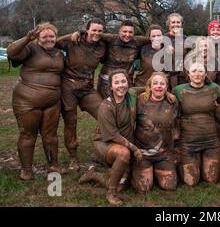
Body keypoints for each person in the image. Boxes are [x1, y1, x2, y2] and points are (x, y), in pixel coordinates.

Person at [7, 23, 66, 179]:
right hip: (27, 101)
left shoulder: (59, 53)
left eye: (51, 36)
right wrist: (27, 38)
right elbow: (11, 52)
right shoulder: (30, 49)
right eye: (44, 36)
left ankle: (53, 165)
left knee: (51, 135)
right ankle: (26, 169)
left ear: (56, 37)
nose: (48, 39)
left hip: (52, 102)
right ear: (37, 38)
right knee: (28, 134)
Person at [79, 70, 143, 206]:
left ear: (128, 83)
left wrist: (166, 93)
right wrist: (134, 148)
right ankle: (111, 193)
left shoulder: (131, 94)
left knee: (122, 184)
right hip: (106, 143)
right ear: (111, 86)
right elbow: (113, 136)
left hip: (125, 143)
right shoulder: (106, 106)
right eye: (117, 82)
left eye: (123, 81)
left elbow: (151, 87)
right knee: (123, 153)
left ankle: (94, 174)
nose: (121, 85)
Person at [56, 18, 106, 171]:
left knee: (106, 114)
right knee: (71, 121)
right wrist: (71, 34)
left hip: (87, 88)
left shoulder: (102, 47)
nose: (96, 33)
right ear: (87, 29)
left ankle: (103, 151)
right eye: (94, 30)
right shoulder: (74, 40)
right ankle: (73, 157)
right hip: (68, 87)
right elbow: (54, 42)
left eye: (100, 30)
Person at [172, 62, 220, 186]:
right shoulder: (179, 90)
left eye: (201, 71)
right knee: (191, 182)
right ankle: (180, 161)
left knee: (211, 180)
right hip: (189, 142)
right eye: (194, 71)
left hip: (210, 140)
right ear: (188, 74)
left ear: (205, 74)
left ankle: (204, 160)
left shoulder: (214, 88)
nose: (197, 74)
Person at [131, 72, 180, 192]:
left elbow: (178, 124)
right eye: (155, 83)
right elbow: (130, 90)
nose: (159, 86)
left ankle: (160, 168)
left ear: (167, 86)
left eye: (162, 84)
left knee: (170, 186)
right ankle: (131, 170)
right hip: (143, 153)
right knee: (144, 188)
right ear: (149, 86)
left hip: (163, 154)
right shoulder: (141, 100)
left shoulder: (172, 101)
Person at [96, 20, 150, 98]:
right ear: (119, 31)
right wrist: (79, 33)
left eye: (130, 32)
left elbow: (155, 38)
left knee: (126, 107)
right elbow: (94, 34)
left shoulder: (138, 41)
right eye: (124, 31)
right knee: (108, 105)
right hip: (107, 80)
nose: (127, 34)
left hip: (127, 80)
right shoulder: (112, 38)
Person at [164, 12, 188, 89]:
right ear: (169, 24)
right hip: (166, 76)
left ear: (181, 24)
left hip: (182, 77)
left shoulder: (186, 39)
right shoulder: (163, 38)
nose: (176, 24)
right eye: (173, 22)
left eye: (178, 22)